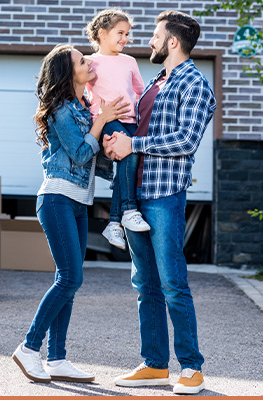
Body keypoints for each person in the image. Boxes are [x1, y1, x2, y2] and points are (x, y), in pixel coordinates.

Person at [103, 10, 216, 395]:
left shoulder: (196, 85)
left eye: (154, 35)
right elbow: (133, 130)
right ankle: (154, 364)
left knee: (172, 283)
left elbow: (186, 141)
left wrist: (133, 144)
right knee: (144, 284)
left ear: (172, 41)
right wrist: (115, 143)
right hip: (133, 194)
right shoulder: (154, 81)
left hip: (164, 194)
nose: (148, 41)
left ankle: (191, 368)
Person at [12, 43, 129, 384]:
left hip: (79, 202)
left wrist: (113, 146)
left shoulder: (84, 107)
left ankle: (58, 358)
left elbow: (94, 160)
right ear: (68, 72)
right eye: (82, 60)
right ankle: (30, 347)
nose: (89, 62)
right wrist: (103, 122)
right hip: (57, 199)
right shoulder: (61, 109)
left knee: (69, 280)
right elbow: (79, 154)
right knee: (70, 278)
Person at [85, 9, 150, 251]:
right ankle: (129, 210)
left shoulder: (130, 61)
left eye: (127, 34)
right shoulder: (89, 62)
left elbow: (140, 92)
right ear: (102, 33)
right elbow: (80, 91)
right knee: (129, 155)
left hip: (130, 120)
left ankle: (114, 223)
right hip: (107, 120)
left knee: (127, 164)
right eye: (120, 33)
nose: (125, 38)